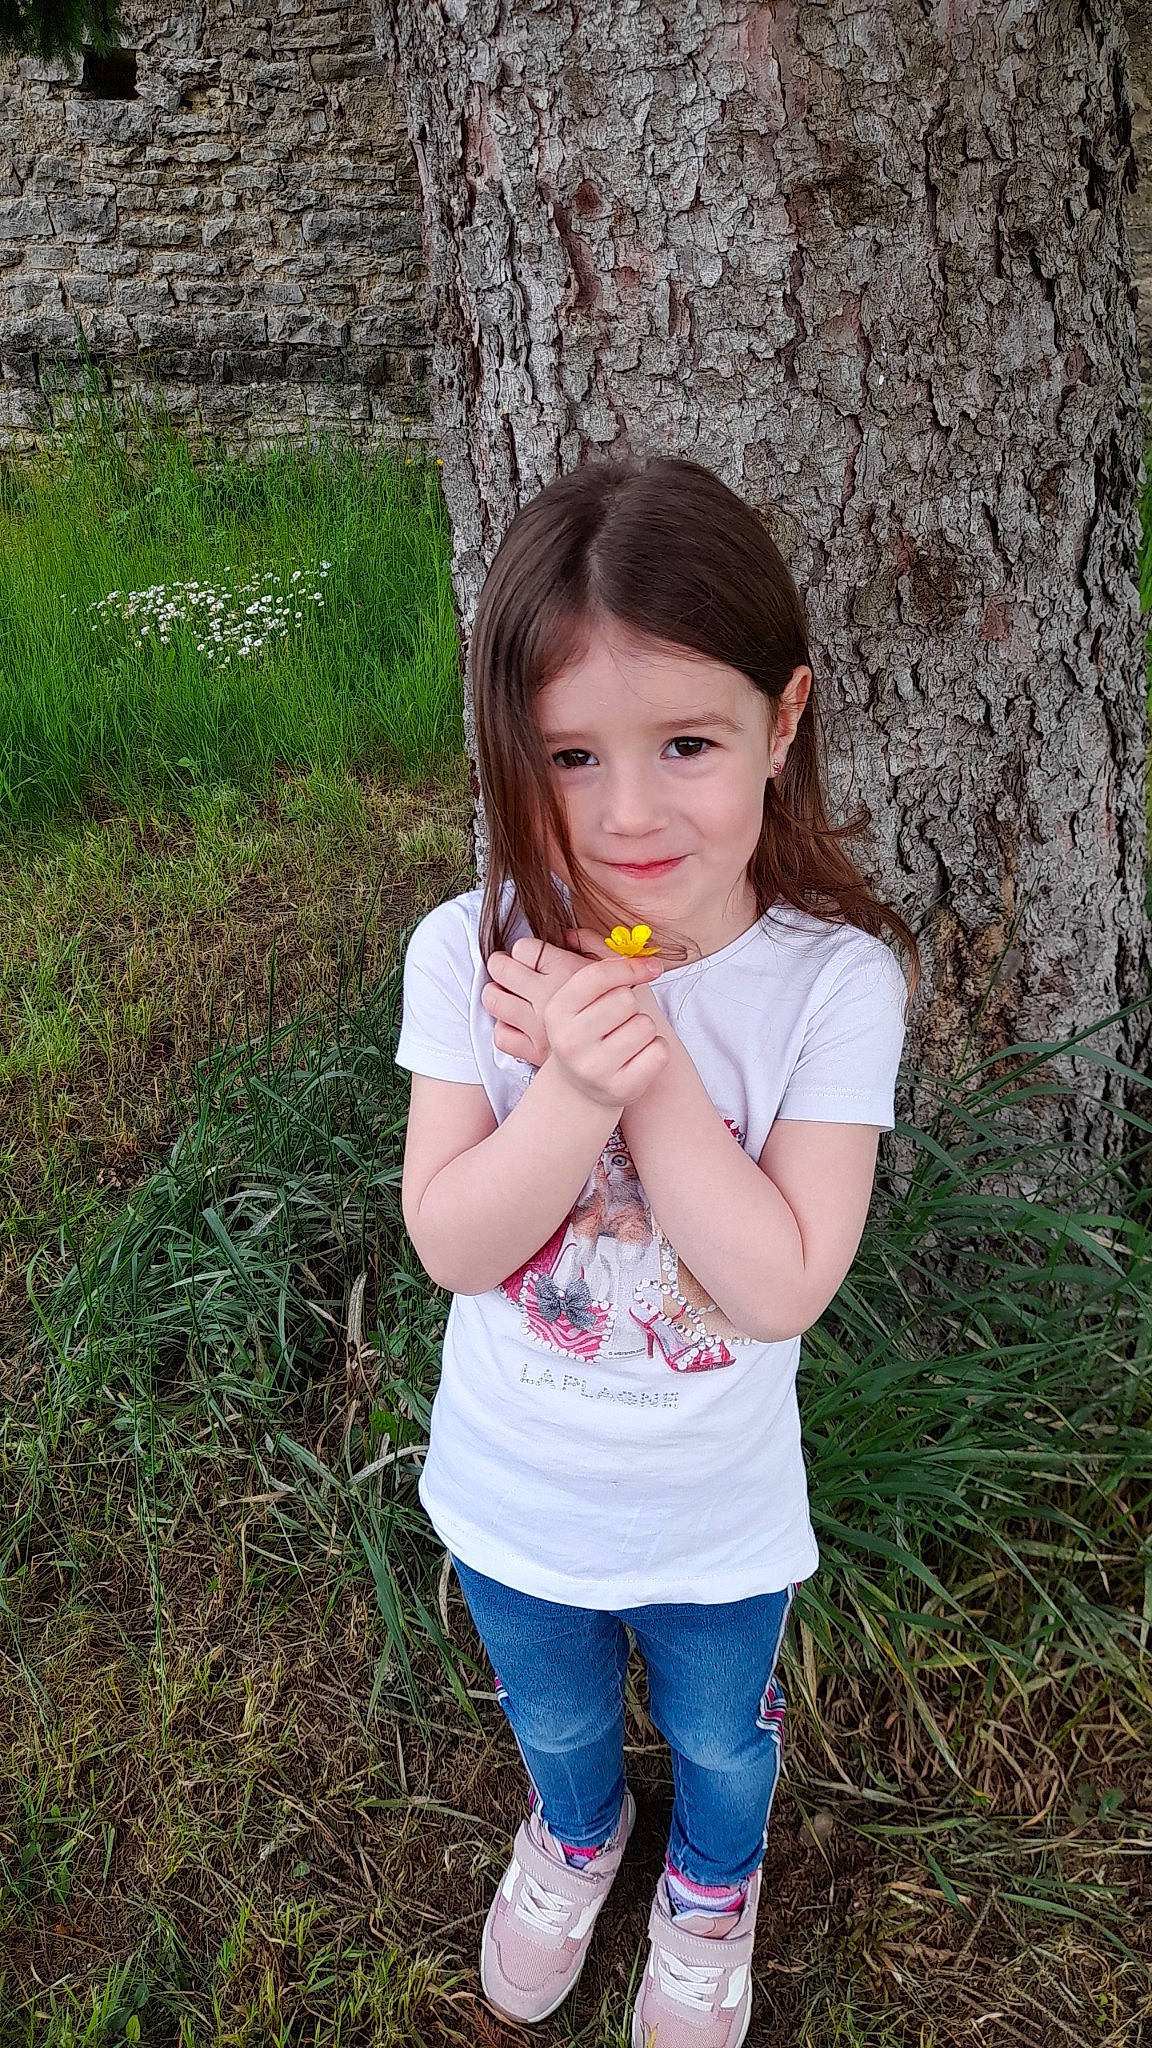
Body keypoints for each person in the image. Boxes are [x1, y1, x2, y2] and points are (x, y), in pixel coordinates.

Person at [394, 455, 919, 2048]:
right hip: (513, 1493)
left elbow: (777, 1286)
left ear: (785, 719)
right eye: (569, 755)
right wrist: (565, 1087)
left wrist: (654, 1068)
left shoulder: (835, 987)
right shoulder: (469, 947)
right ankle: (573, 1833)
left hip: (717, 1520)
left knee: (720, 1737)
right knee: (554, 1716)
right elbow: (451, 1242)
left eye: (686, 744)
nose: (627, 812)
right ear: (510, 752)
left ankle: (709, 1878)